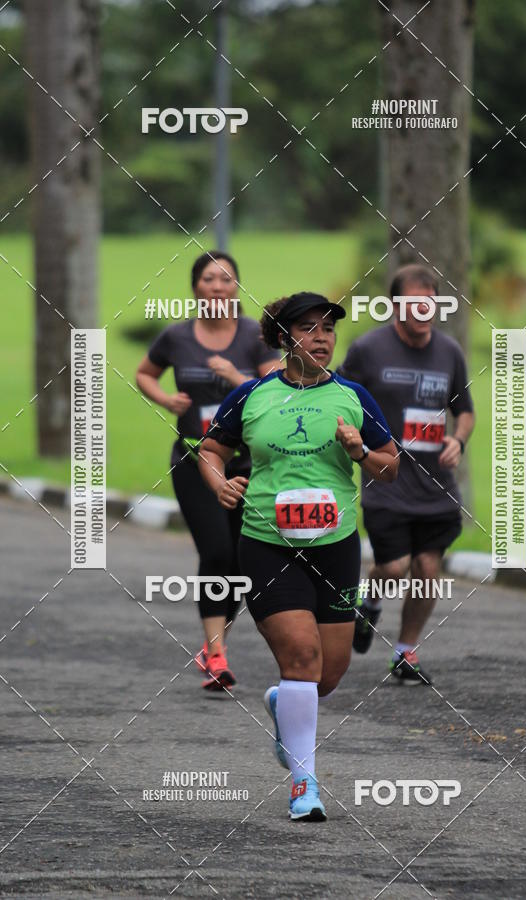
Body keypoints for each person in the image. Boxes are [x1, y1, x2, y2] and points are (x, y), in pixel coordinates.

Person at [198, 292, 398, 820]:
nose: (324, 337)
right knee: (302, 661)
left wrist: (360, 452)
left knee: (326, 676)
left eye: (330, 329)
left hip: (336, 547)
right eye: (310, 328)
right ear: (285, 338)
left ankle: (283, 705)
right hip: (267, 544)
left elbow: (391, 467)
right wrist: (220, 483)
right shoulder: (252, 396)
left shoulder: (353, 397)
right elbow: (211, 449)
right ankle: (304, 786)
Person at [135, 251, 280, 690]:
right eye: (209, 278)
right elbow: (145, 373)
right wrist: (165, 399)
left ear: (237, 287)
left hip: (246, 463)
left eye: (226, 279)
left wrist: (236, 376)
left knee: (240, 558)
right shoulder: (177, 336)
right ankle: (216, 654)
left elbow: (275, 392)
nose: (218, 286)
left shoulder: (254, 338)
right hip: (194, 458)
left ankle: (213, 646)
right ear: (195, 287)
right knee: (216, 549)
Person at [339, 263, 475, 685]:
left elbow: (465, 411)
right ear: (395, 306)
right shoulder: (368, 349)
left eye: (430, 303)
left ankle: (405, 652)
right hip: (387, 480)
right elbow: (339, 399)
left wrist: (458, 440)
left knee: (428, 569)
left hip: (436, 486)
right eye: (414, 304)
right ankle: (371, 602)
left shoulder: (449, 352)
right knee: (395, 568)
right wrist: (355, 440)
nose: (424, 311)